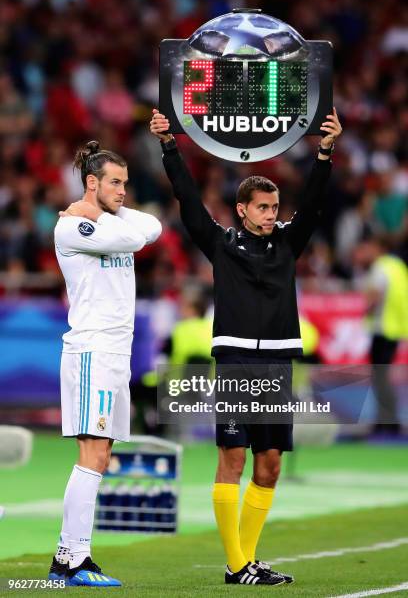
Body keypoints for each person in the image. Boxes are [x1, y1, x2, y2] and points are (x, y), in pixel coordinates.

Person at [150, 107, 342, 586]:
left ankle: (247, 560)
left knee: (271, 465)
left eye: (275, 208)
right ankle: (237, 564)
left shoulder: (288, 243)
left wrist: (325, 152)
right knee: (232, 457)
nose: (271, 215)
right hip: (236, 358)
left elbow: (315, 203)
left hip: (277, 360)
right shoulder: (221, 244)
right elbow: (188, 200)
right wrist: (170, 146)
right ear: (242, 209)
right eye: (262, 208)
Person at [50, 140, 162, 587]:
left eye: (126, 183)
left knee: (102, 454)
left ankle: (69, 557)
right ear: (91, 182)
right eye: (114, 183)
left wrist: (100, 210)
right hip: (92, 352)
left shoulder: (97, 218)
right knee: (92, 454)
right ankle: (72, 559)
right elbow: (136, 238)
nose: (122, 192)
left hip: (115, 354)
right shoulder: (70, 229)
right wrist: (100, 216)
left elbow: (152, 226)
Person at [359, 236, 408, 434]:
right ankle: (388, 418)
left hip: (382, 328)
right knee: (383, 375)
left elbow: (375, 295)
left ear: (377, 247)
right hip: (396, 328)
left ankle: (388, 420)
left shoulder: (380, 267)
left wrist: (366, 309)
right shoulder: (398, 266)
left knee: (380, 376)